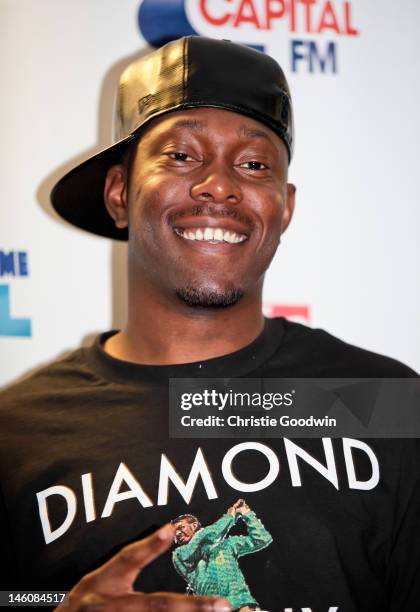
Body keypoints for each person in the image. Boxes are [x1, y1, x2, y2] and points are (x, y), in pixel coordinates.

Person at [0, 36, 419, 612]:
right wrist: (55, 607)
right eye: (180, 155)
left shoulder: (385, 402)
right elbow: (17, 597)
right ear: (120, 194)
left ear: (284, 207)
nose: (219, 186)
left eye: (252, 164)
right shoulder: (17, 432)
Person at [171, 500, 272, 611]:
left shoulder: (228, 545)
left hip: (240, 605)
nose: (177, 534)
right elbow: (205, 537)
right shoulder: (179, 555)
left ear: (194, 525)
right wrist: (229, 517)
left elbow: (262, 539)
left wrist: (246, 513)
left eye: (181, 528)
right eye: (174, 532)